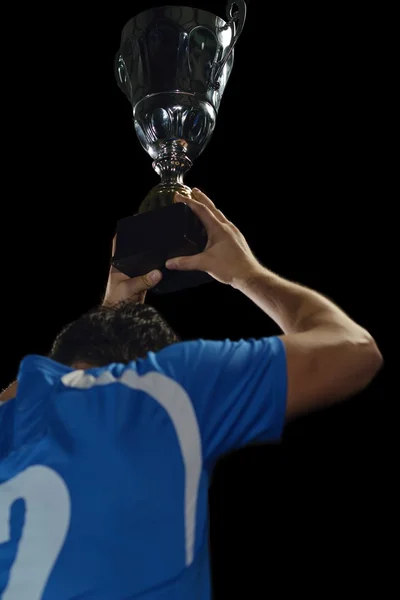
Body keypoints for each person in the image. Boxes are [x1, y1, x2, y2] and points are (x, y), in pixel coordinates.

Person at [0, 188, 382, 599]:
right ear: (141, 369)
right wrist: (246, 273)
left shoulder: (12, 411)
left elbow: (25, 394)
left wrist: (110, 316)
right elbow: (355, 351)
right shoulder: (164, 390)